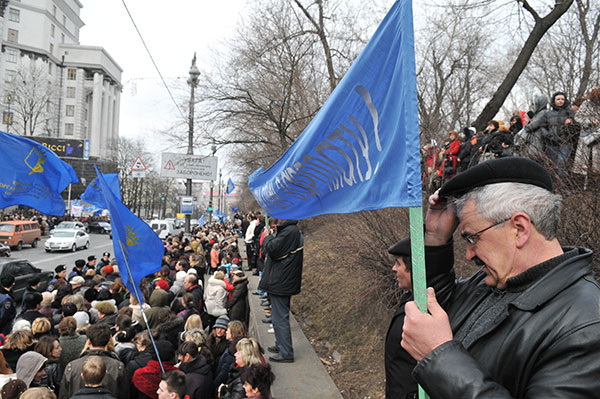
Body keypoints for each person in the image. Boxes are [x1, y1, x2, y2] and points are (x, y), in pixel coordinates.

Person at [401, 157, 600, 398]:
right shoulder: (494, 282)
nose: (468, 254)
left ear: (519, 229)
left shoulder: (586, 326)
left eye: (472, 238)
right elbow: (432, 305)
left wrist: (439, 356)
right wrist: (435, 237)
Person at [384, 236, 454, 399]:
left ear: (415, 267)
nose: (394, 268)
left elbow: (440, 276)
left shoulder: (432, 302)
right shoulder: (411, 296)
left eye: (399, 263)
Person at [258, 219, 303, 363]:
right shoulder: (288, 231)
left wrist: (267, 237)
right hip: (281, 280)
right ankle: (280, 345)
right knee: (278, 317)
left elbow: (272, 249)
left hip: (281, 281)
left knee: (280, 318)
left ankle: (286, 352)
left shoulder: (290, 232)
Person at [59, 324, 128, 399]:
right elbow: (124, 394)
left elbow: (63, 395)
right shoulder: (118, 367)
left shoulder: (72, 367)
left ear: (88, 342)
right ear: (108, 341)